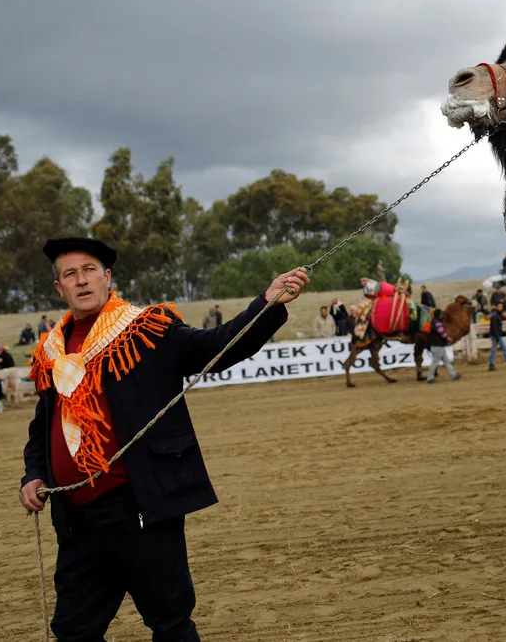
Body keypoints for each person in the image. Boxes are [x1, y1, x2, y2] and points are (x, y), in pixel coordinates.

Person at [18, 236, 309, 641]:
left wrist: (268, 303)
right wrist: (33, 473)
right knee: (72, 631)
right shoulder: (51, 352)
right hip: (77, 519)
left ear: (107, 278)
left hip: (140, 508)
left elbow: (216, 346)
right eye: (70, 274)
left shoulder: (146, 329)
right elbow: (43, 426)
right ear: (59, 288)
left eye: (89, 271)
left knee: (169, 623)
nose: (81, 281)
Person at [426, 308, 461, 384]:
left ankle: (454, 374)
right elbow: (442, 332)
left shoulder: (434, 322)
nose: (442, 315)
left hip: (437, 345)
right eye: (441, 314)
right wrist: (448, 338)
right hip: (438, 346)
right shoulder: (437, 323)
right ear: (439, 315)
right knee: (435, 362)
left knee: (446, 361)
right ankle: (430, 378)